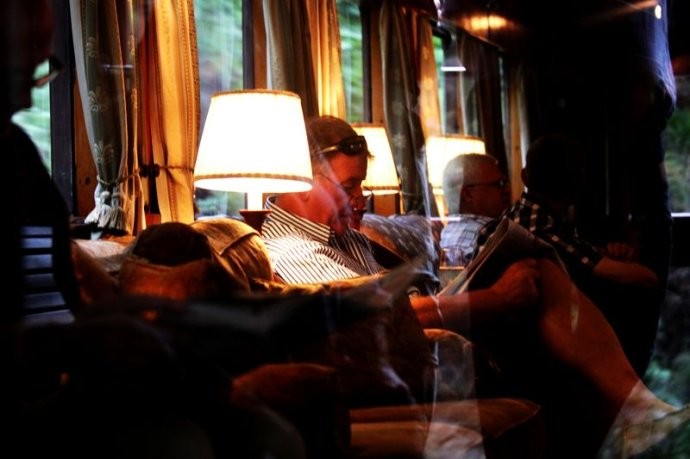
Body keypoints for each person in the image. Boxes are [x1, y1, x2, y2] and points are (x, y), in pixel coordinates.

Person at [261, 115, 689, 458]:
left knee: (537, 275)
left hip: (425, 339)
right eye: (349, 186)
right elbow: (378, 317)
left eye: (361, 185)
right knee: (540, 300)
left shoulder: (348, 238)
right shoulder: (288, 249)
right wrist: (491, 298)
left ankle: (636, 421)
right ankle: (640, 416)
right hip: (408, 360)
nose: (360, 199)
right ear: (305, 181)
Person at [479, 133, 663, 376]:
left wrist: (605, 254)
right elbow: (645, 278)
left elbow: (578, 253)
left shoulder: (496, 226)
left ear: (524, 176)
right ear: (579, 183)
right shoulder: (543, 230)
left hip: (500, 360)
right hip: (542, 366)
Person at [440, 153, 511, 266]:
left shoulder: (447, 235)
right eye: (499, 184)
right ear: (468, 194)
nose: (507, 190)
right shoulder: (488, 237)